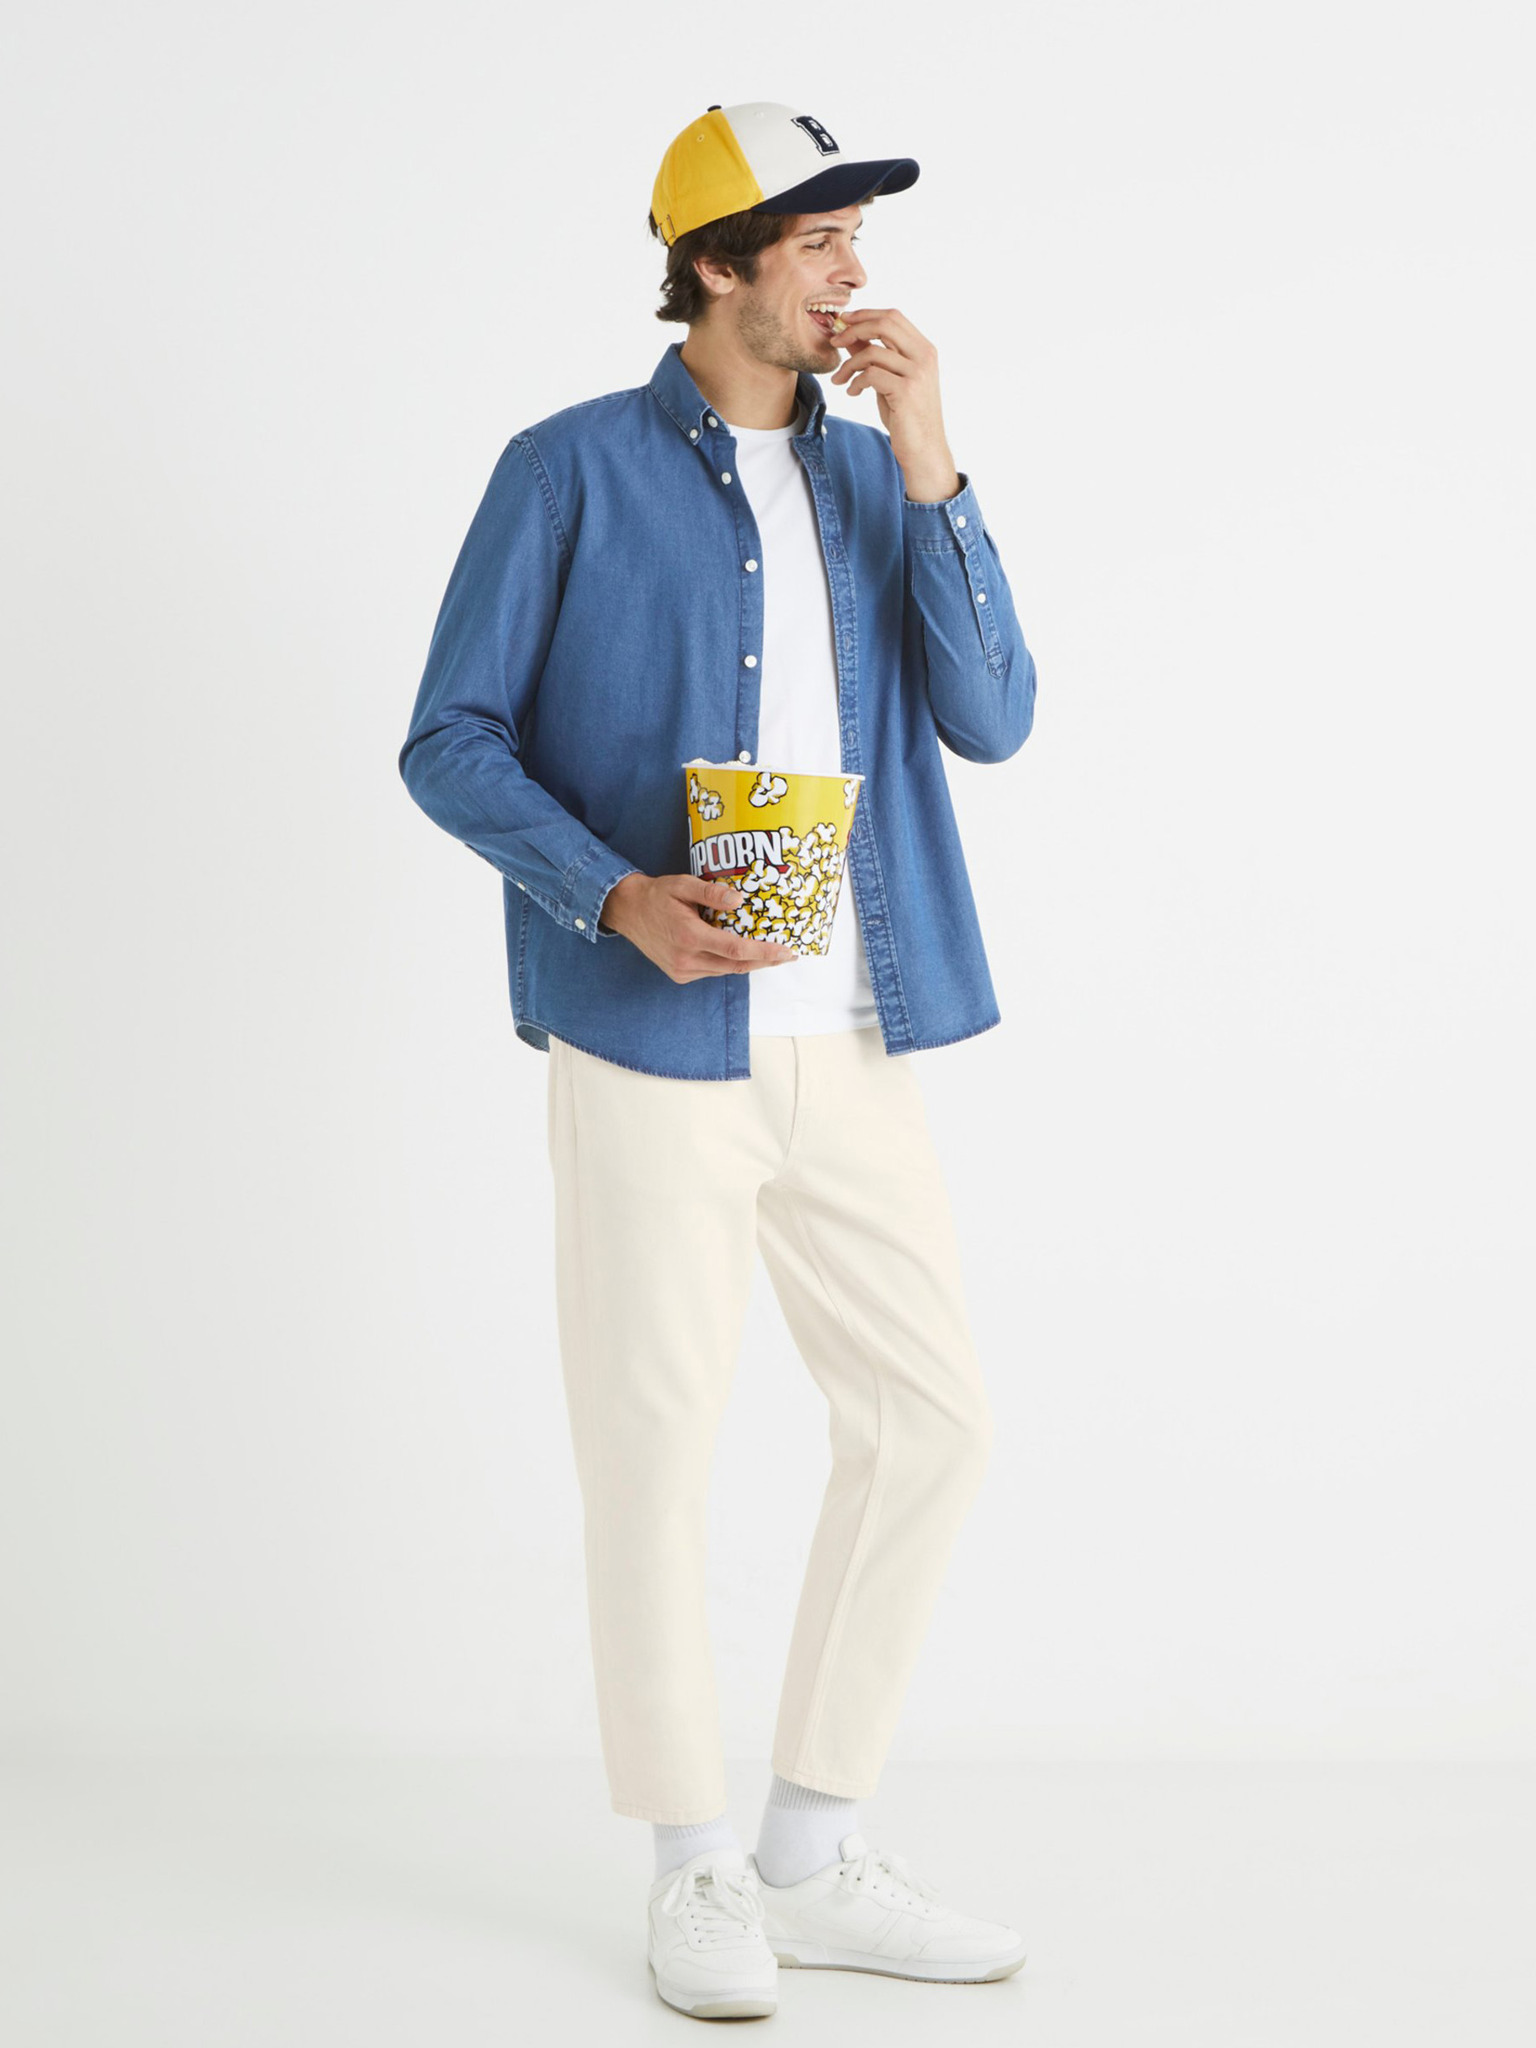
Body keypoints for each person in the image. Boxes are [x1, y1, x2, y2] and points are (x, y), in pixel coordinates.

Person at [399, 99, 1038, 2020]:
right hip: (650, 1037)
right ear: (716, 263)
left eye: (855, 236)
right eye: (819, 237)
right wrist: (615, 896)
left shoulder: (874, 476)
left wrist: (932, 457)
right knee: (655, 1451)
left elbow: (996, 716)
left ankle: (811, 1853)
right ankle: (691, 1869)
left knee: (932, 1422)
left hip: (855, 1028)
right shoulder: (567, 470)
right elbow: (449, 737)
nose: (854, 270)